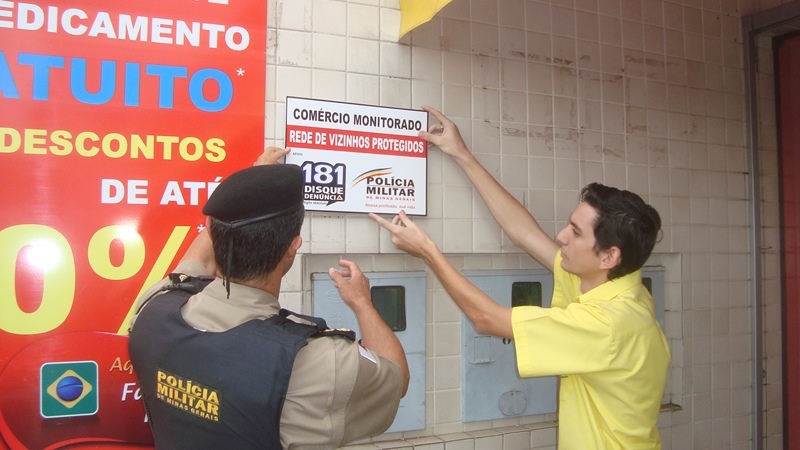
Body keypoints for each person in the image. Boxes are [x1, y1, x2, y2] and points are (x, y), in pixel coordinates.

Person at [370, 107, 670, 449]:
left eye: (574, 232)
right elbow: (524, 233)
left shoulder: (609, 323)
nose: (561, 236)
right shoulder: (610, 283)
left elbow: (487, 319)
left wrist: (428, 252)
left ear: (608, 256)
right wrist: (461, 154)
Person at [128, 147, 409, 450]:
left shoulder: (155, 304)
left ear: (211, 228)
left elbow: (200, 256)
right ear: (293, 247)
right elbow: (396, 376)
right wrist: (362, 303)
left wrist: (254, 186)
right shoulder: (314, 362)